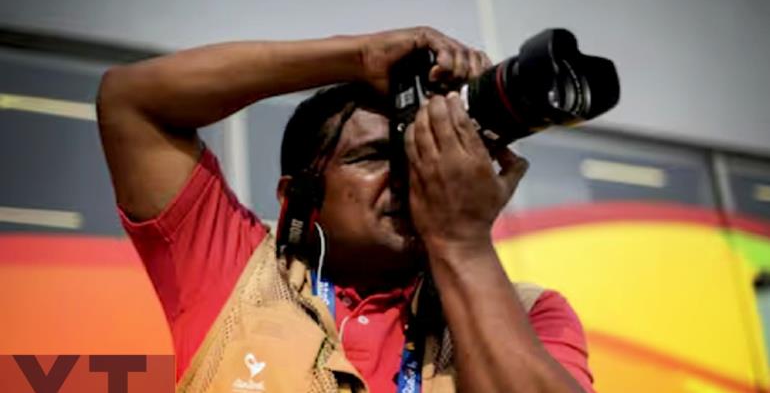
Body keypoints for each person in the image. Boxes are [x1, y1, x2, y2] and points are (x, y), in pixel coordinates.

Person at [97, 26, 594, 393]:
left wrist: (460, 243)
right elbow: (132, 101)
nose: (411, 174)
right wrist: (358, 57)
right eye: (376, 157)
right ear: (300, 196)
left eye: (421, 153)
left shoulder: (532, 314)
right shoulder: (232, 273)